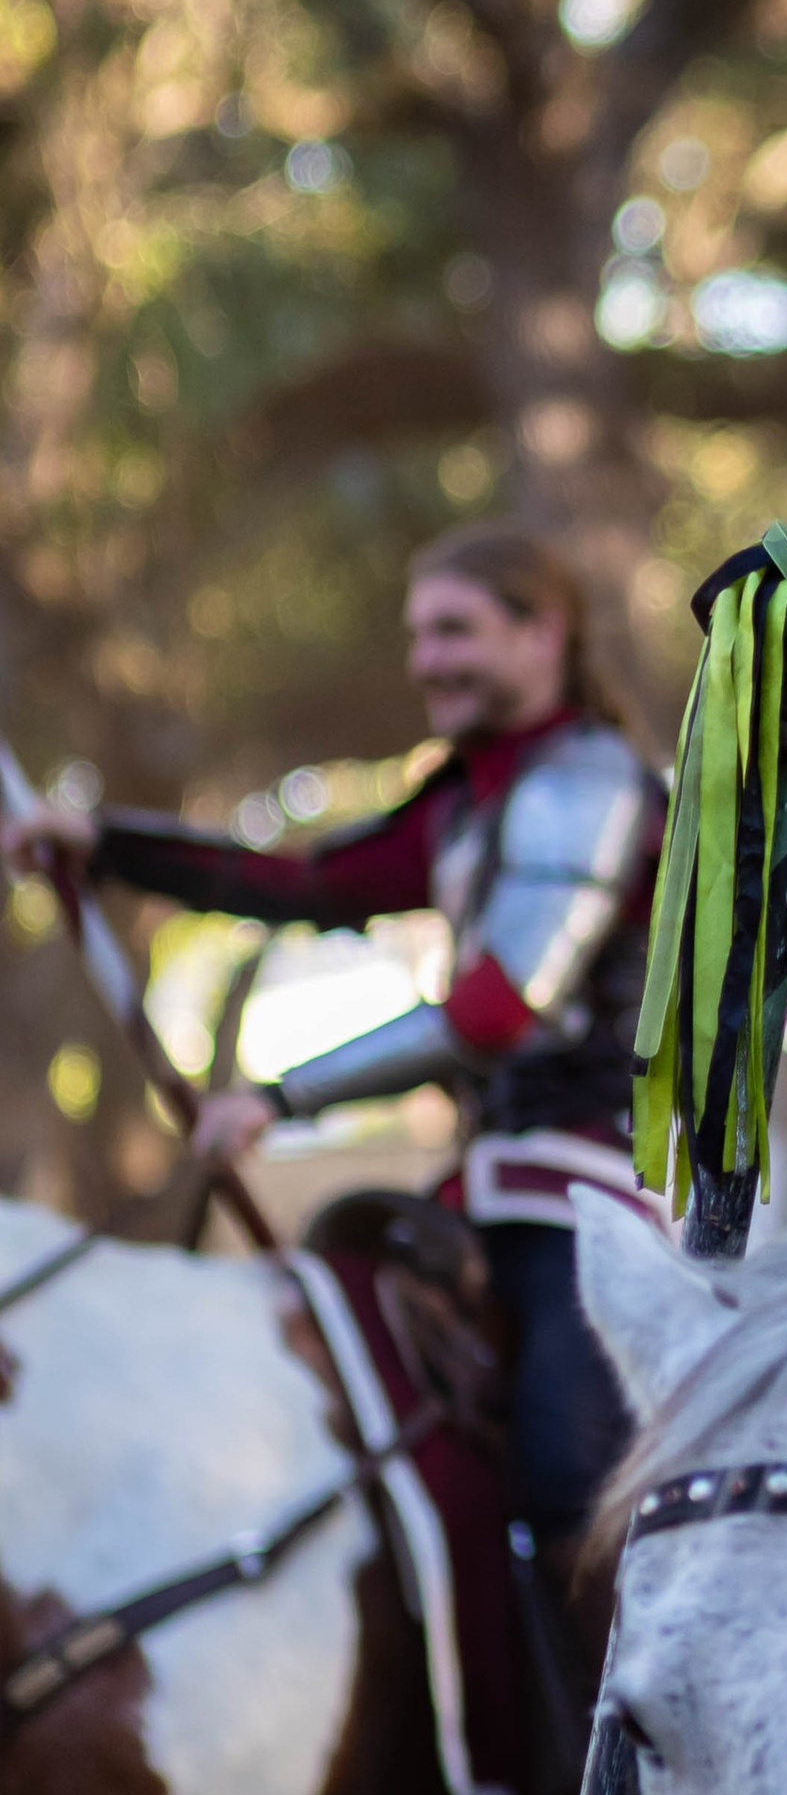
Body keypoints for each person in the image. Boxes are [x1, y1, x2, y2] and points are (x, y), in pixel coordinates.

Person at [2, 524, 664, 1562]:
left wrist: (278, 1097)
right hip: (480, 1194)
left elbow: (500, 1009)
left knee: (572, 1466)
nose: (424, 661)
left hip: (595, 1194)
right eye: (416, 635)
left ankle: (609, 1719)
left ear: (545, 634)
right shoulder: (464, 798)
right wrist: (110, 845)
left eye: (454, 630)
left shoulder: (585, 781)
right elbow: (305, 884)